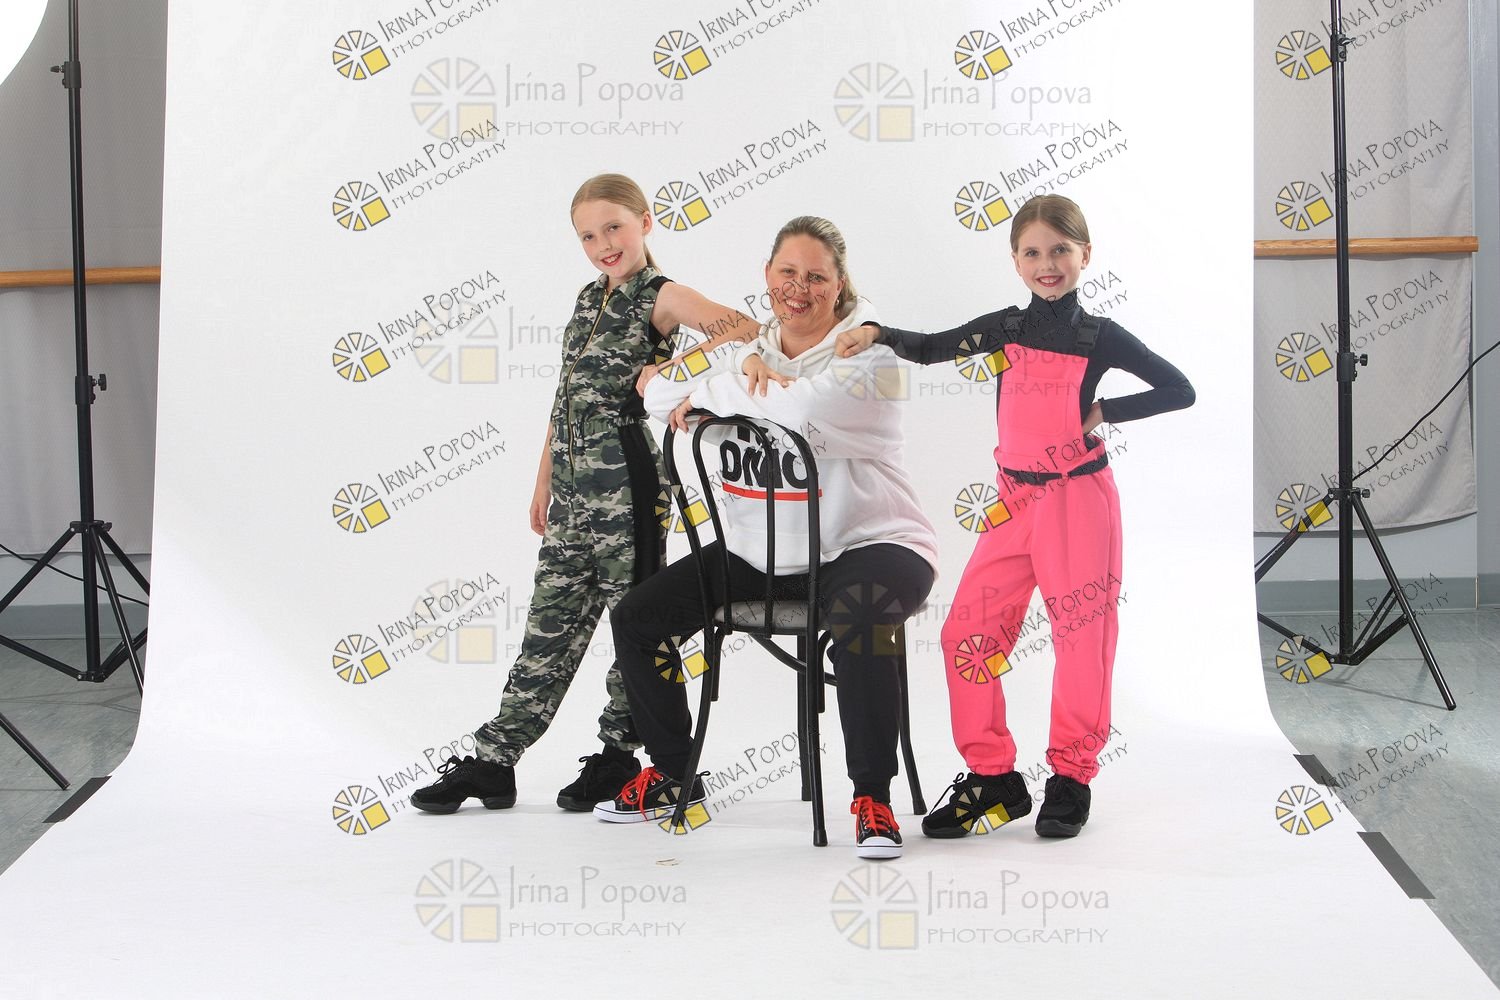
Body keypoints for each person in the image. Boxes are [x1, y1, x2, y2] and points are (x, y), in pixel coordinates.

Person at [837, 194, 1194, 839]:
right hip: (1012, 501)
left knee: (1081, 640)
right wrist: (879, 333)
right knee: (966, 634)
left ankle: (1071, 778)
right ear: (1015, 261)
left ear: (1085, 254)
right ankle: (993, 778)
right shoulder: (1006, 328)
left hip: (1077, 501)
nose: (1046, 264)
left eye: (1060, 250)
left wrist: (1105, 412)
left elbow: (1179, 389)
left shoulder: (1099, 336)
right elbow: (935, 347)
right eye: (1032, 252)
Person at [409, 174, 756, 814]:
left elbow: (743, 328)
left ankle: (619, 756)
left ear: (645, 222)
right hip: (571, 486)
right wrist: (544, 479)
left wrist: (672, 371)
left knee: (633, 621)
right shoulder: (588, 298)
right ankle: (494, 761)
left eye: (613, 228)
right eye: (588, 236)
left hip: (629, 483)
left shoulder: (661, 294)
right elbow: (566, 396)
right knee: (549, 624)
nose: (603, 245)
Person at [595, 216, 939, 860]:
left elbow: (802, 411)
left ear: (839, 285)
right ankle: (674, 774)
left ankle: (872, 796)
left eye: (816, 276)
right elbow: (654, 391)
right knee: (638, 617)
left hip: (868, 543)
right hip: (761, 551)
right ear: (767, 275)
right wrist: (739, 371)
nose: (799, 288)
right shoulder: (745, 347)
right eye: (787, 272)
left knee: (862, 616)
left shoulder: (873, 355)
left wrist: (712, 395)